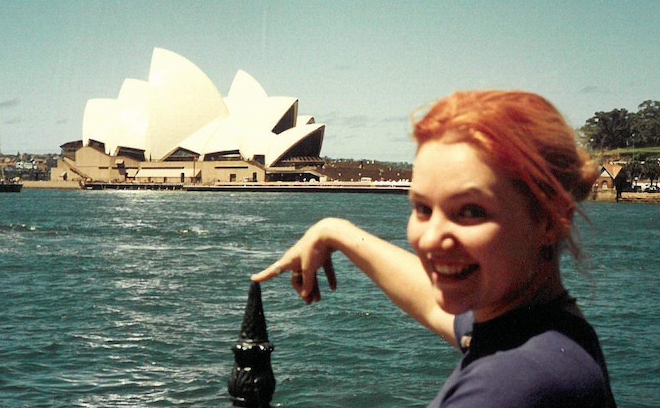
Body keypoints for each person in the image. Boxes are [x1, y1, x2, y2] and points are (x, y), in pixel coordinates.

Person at [253, 90, 616, 407]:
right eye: (423, 208)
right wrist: (336, 231)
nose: (429, 239)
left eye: (471, 211)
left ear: (551, 221)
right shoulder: (549, 331)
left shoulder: (506, 389)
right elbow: (431, 302)